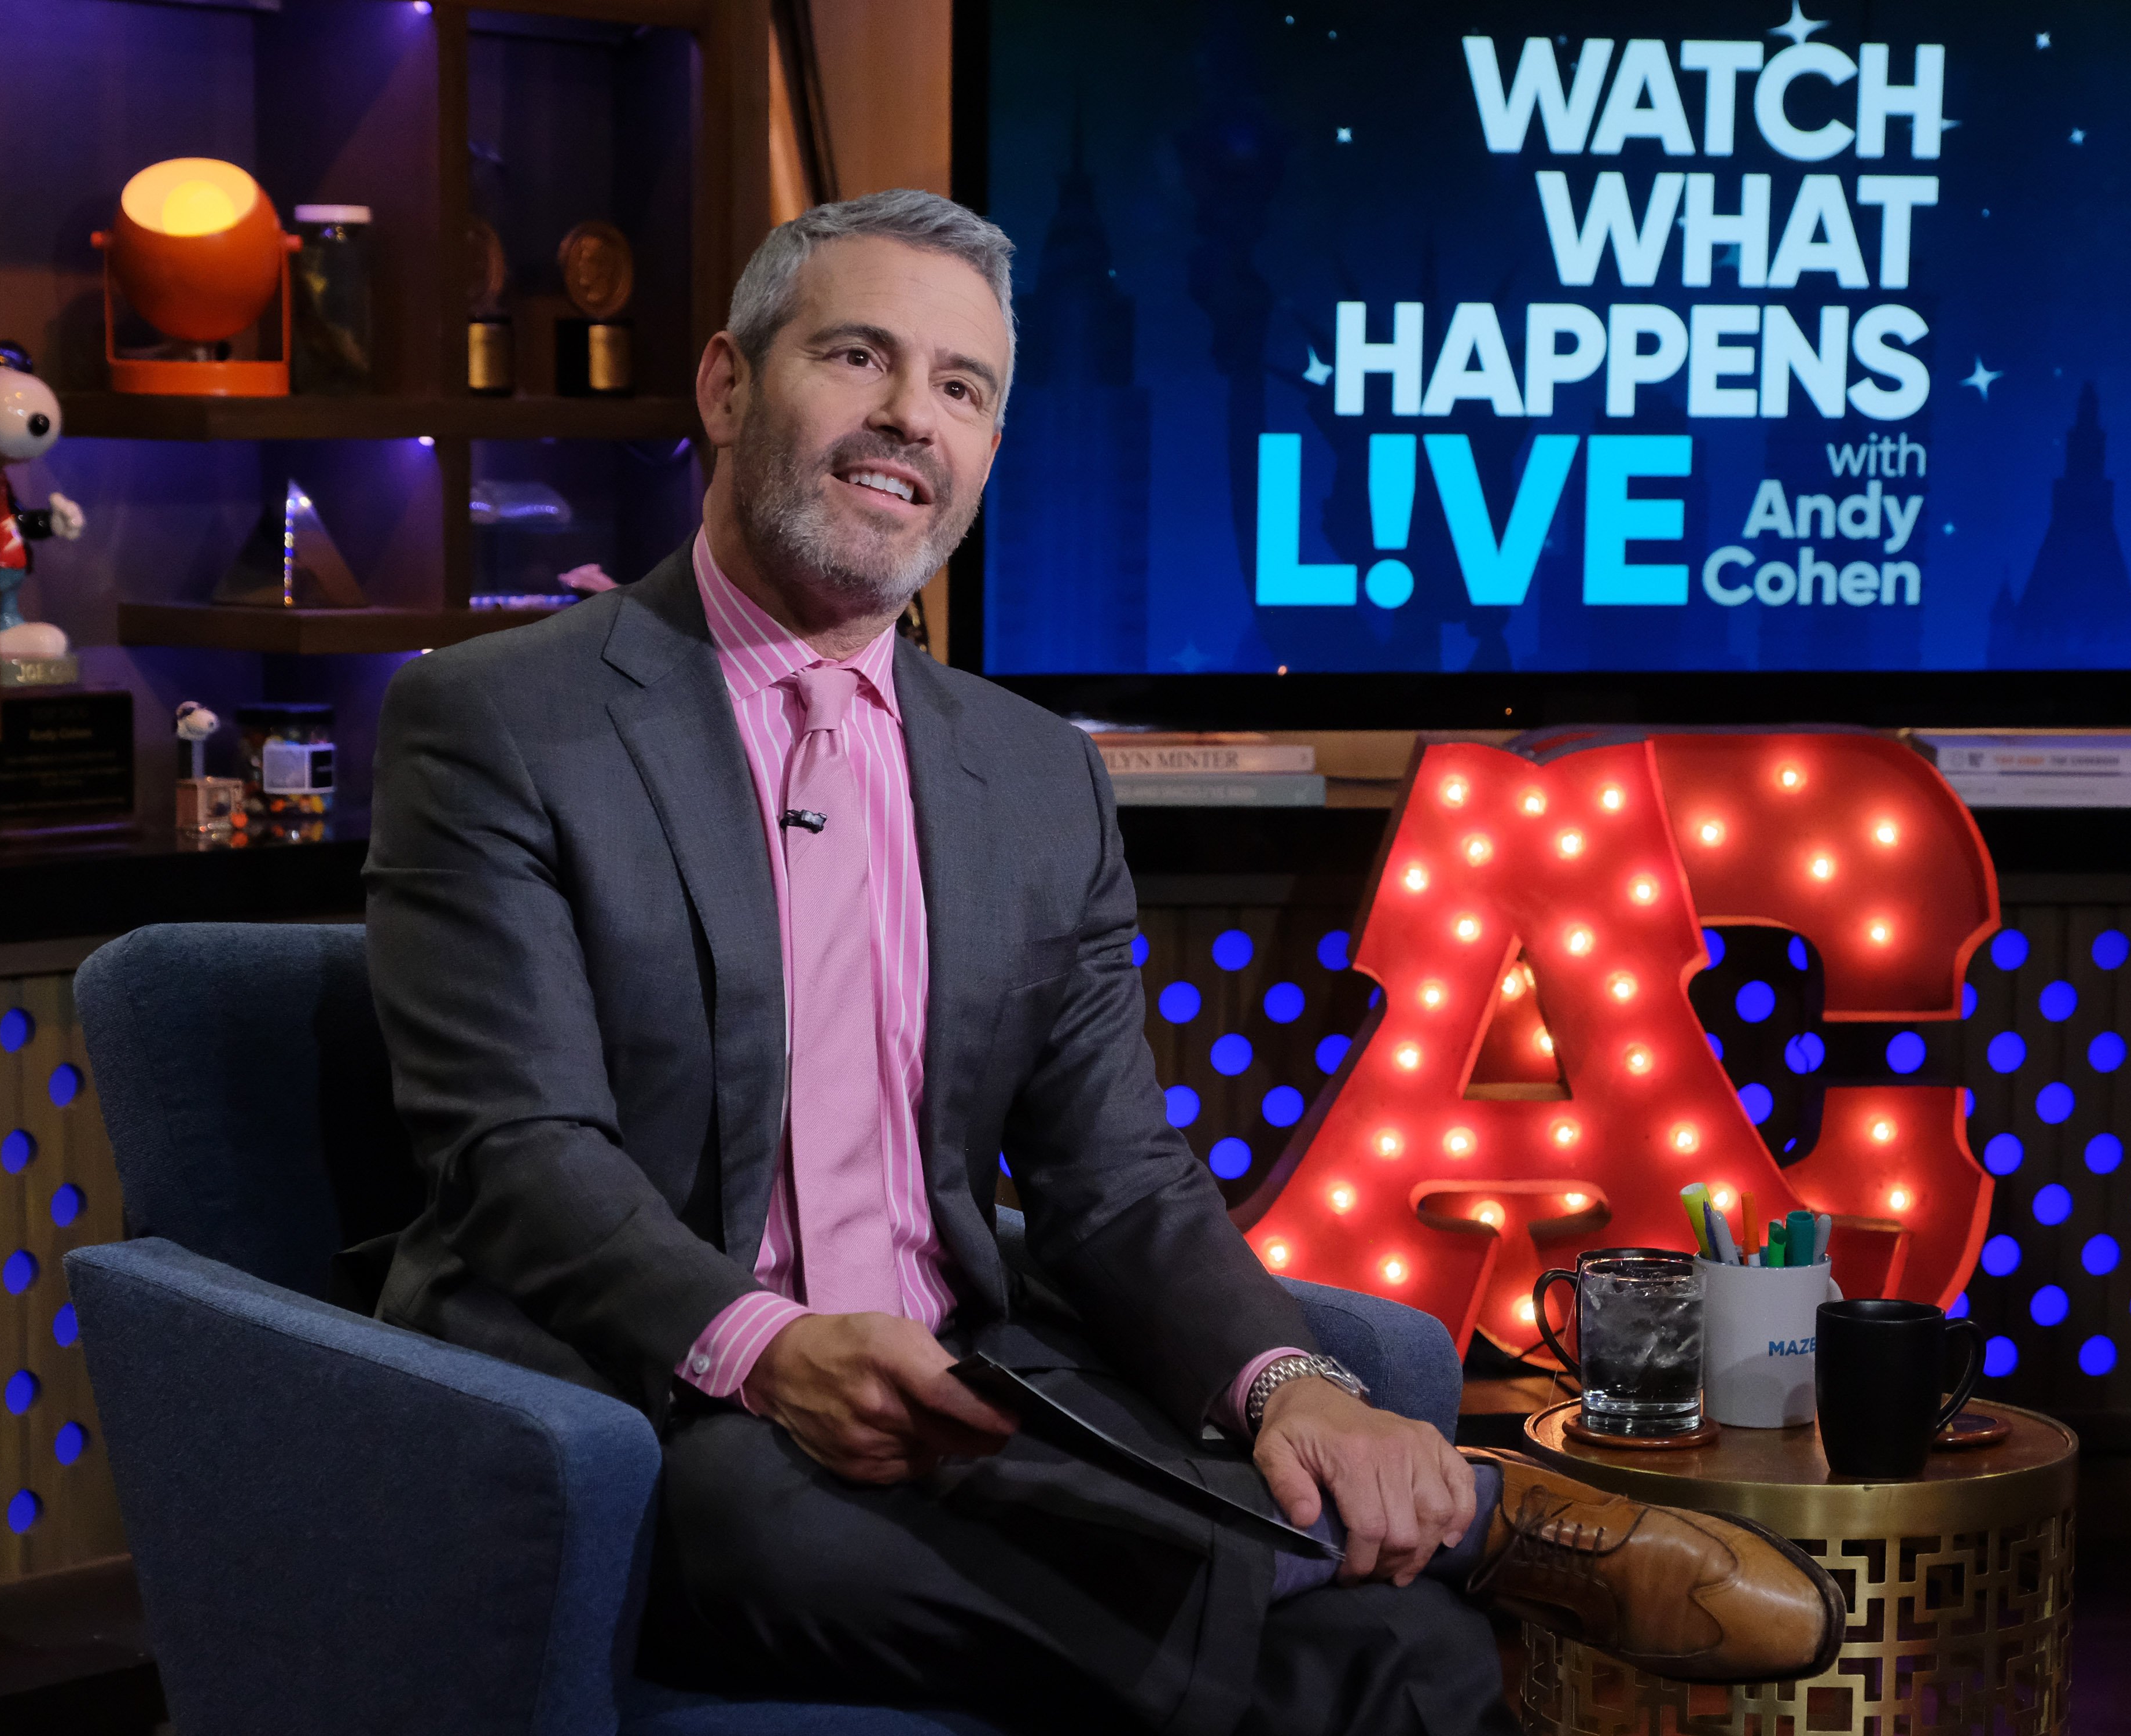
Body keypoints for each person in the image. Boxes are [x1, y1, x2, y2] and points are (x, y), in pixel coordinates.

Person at [364, 189, 1841, 1736]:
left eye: (960, 387)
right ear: (729, 385)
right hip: (648, 1396)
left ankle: (1357, 1576)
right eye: (855, 356)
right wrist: (769, 1344)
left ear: (990, 448)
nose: (904, 419)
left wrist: (1295, 1388)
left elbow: (1113, 1176)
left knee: (1409, 1669)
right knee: (780, 1525)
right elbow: (515, 1151)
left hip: (965, 1389)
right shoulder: (500, 721)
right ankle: (1471, 1526)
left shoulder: (1032, 774)